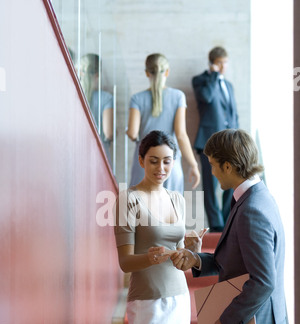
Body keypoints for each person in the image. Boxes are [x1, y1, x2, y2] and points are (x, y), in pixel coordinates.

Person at [171, 129, 291, 324]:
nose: (211, 172)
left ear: (229, 166)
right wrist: (197, 258)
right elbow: (238, 261)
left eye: (213, 164)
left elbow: (263, 280)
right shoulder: (253, 198)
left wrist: (226, 323)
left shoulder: (251, 208)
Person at [114, 130, 205, 324]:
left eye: (167, 162)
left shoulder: (177, 199)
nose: (161, 169)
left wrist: (192, 252)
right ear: (141, 160)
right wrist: (149, 257)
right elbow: (126, 263)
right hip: (148, 305)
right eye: (154, 161)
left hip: (178, 300)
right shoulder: (128, 200)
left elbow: (179, 259)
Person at [127, 54, 200, 194]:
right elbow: (181, 135)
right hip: (168, 161)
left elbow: (132, 133)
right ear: (167, 72)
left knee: (139, 209)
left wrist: (129, 132)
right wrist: (193, 164)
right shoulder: (178, 96)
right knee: (171, 210)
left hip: (144, 161)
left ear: (147, 73)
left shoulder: (136, 99)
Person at [192, 47, 239, 232]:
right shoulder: (201, 81)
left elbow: (234, 114)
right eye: (220, 62)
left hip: (229, 143)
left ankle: (227, 220)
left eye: (225, 62)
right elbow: (207, 97)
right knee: (210, 185)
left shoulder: (229, 86)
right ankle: (216, 224)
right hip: (208, 141)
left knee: (231, 182)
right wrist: (213, 75)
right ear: (212, 63)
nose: (223, 66)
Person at [80, 54, 113, 163]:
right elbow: (108, 133)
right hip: (99, 154)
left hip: (77, 150)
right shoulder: (106, 98)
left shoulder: (71, 96)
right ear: (98, 74)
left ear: (80, 72)